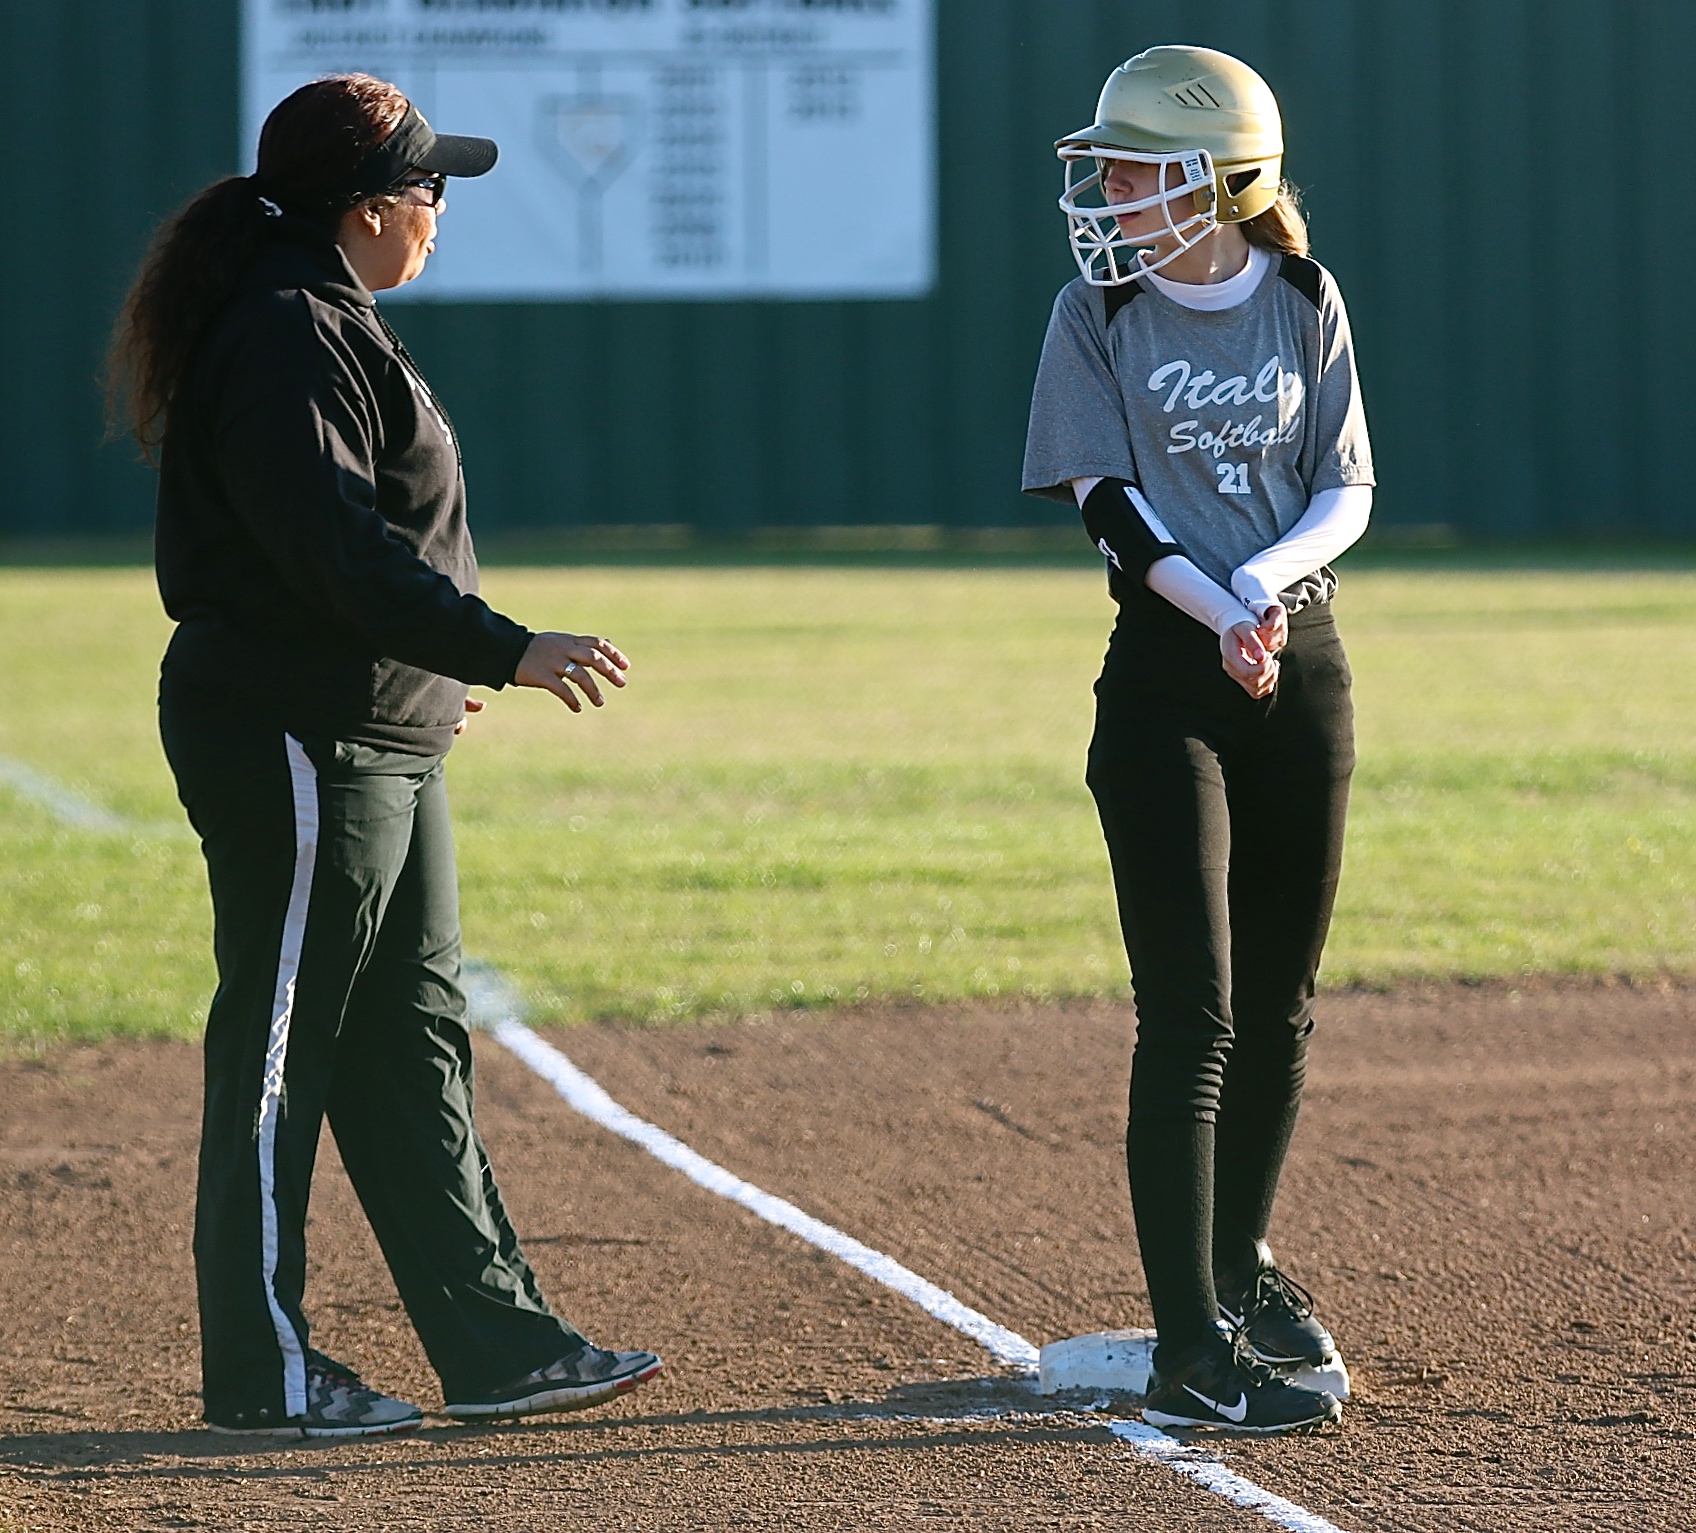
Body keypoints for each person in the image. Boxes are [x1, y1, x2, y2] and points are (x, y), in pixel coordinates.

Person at [107, 74, 662, 1439]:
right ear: (366, 207)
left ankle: (500, 1344)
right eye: (429, 188)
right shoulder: (286, 327)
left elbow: (372, 555)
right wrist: (500, 647)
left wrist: (429, 670)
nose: (440, 210)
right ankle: (265, 1374)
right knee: (279, 1047)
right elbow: (332, 551)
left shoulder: (331, 315)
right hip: (295, 731)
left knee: (411, 1038)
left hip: (376, 728)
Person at [1022, 45, 1373, 1433]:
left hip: (1301, 660)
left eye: (1136, 169)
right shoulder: (1094, 309)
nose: (1109, 191)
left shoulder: (1304, 296)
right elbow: (1108, 505)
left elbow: (1346, 486)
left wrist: (1270, 588)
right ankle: (1189, 1347)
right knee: (1196, 1014)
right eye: (1107, 170)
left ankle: (1239, 1269)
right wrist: (1224, 608)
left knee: (1281, 1006)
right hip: (1170, 673)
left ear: (1224, 181)